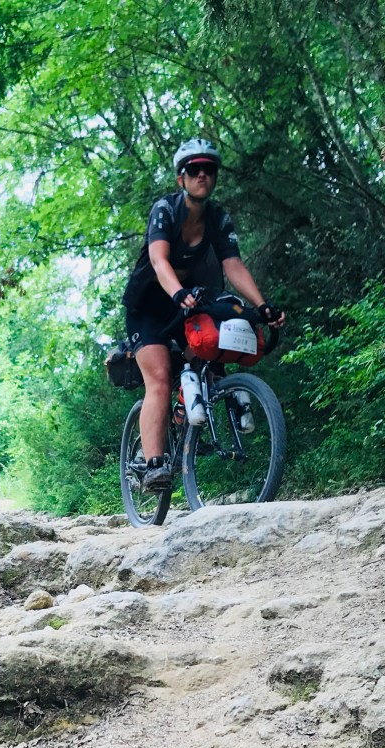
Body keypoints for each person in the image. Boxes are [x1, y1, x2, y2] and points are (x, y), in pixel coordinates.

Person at [122, 138, 285, 492]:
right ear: (181, 178)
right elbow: (158, 260)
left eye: (209, 169)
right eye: (194, 169)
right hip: (148, 307)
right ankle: (153, 465)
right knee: (160, 378)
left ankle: (184, 418)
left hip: (187, 304)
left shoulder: (217, 218)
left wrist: (262, 305)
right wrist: (177, 292)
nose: (202, 175)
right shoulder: (166, 210)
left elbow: (234, 265)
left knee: (208, 355)